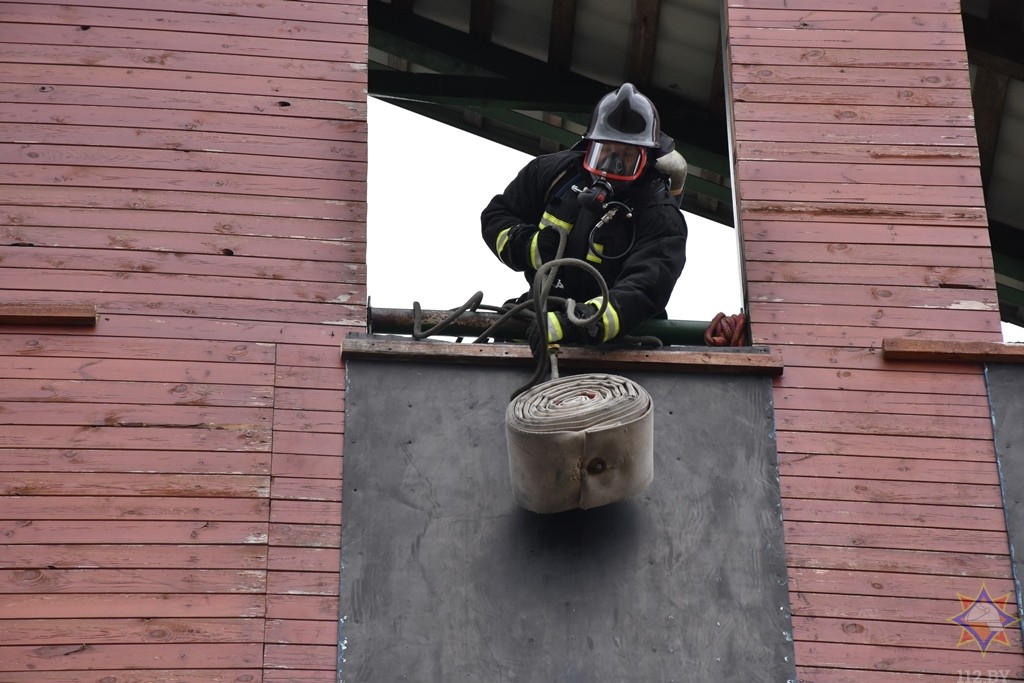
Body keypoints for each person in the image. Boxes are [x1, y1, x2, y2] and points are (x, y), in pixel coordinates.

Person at [481, 82, 688, 346]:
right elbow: (496, 216)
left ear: (645, 159)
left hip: (621, 344)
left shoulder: (660, 214)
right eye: (605, 151)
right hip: (541, 315)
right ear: (589, 146)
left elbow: (645, 288)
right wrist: (530, 246)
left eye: (627, 156)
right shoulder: (552, 173)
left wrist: (582, 321)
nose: (612, 163)